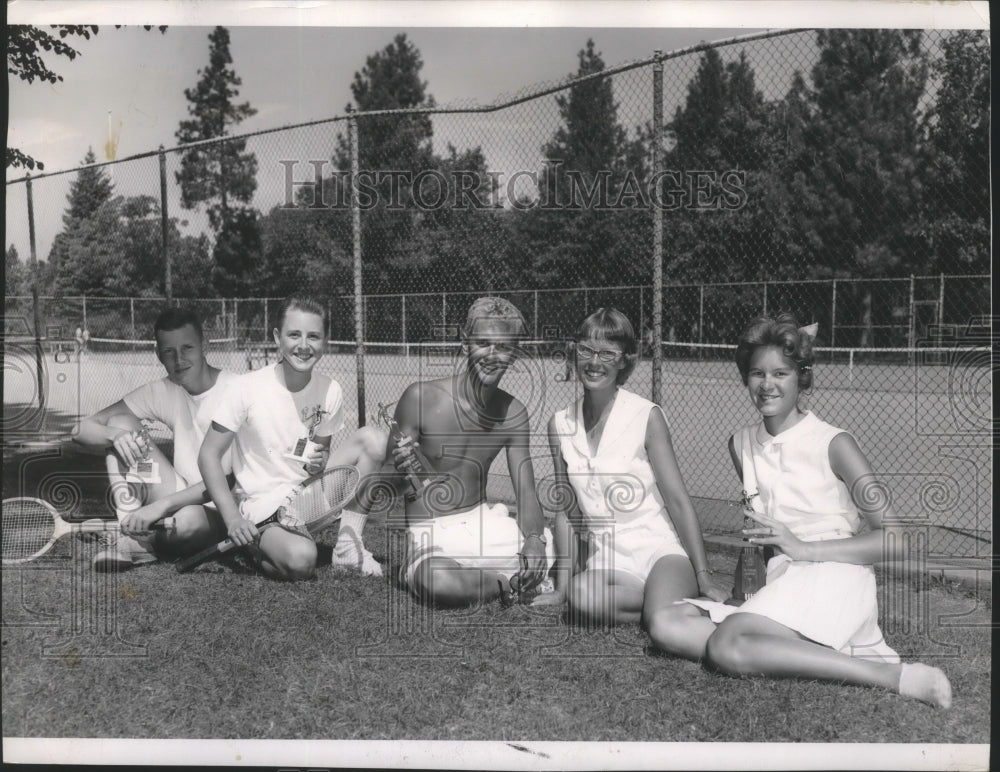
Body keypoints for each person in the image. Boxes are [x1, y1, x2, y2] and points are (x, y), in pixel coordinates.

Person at [671, 314, 952, 708]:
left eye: (780, 373)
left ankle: (889, 676)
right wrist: (743, 596)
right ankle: (796, 647)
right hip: (785, 580)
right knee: (670, 624)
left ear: (801, 378)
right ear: (745, 378)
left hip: (836, 574)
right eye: (757, 373)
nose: (767, 385)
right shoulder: (740, 444)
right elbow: (759, 532)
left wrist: (805, 549)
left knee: (725, 643)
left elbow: (897, 539)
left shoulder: (835, 443)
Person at [544, 308, 729, 633]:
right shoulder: (559, 424)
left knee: (661, 622)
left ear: (624, 361)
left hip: (658, 549)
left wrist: (704, 576)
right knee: (580, 596)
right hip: (608, 558)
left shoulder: (647, 416)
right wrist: (560, 589)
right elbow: (567, 511)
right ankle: (664, 602)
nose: (594, 362)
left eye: (607, 353)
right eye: (586, 350)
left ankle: (671, 596)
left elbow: (677, 499)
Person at [198, 296, 386, 581]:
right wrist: (233, 519)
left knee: (373, 439)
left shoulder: (330, 389)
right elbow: (208, 456)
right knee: (301, 561)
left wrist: (318, 463)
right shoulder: (244, 388)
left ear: (324, 342)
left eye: (313, 336)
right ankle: (258, 543)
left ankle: (348, 547)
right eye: (294, 334)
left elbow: (317, 463)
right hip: (263, 505)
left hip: (308, 497)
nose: (303, 345)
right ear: (277, 337)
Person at [390, 296, 553, 607]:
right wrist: (398, 471)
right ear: (465, 344)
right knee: (437, 580)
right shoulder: (419, 397)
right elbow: (389, 485)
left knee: (562, 556)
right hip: (431, 532)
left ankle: (515, 575)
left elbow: (526, 492)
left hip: (485, 525)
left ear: (515, 354)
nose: (492, 355)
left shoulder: (514, 413)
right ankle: (506, 583)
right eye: (483, 343)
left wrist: (535, 540)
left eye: (503, 347)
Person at [74, 307, 238, 571]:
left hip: (223, 507)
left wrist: (159, 507)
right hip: (178, 492)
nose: (179, 359)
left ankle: (135, 539)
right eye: (169, 352)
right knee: (120, 425)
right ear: (158, 354)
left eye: (187, 348)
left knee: (188, 522)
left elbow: (229, 479)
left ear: (203, 345)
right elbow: (81, 431)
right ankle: (130, 529)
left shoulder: (237, 390)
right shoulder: (165, 389)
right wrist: (115, 435)